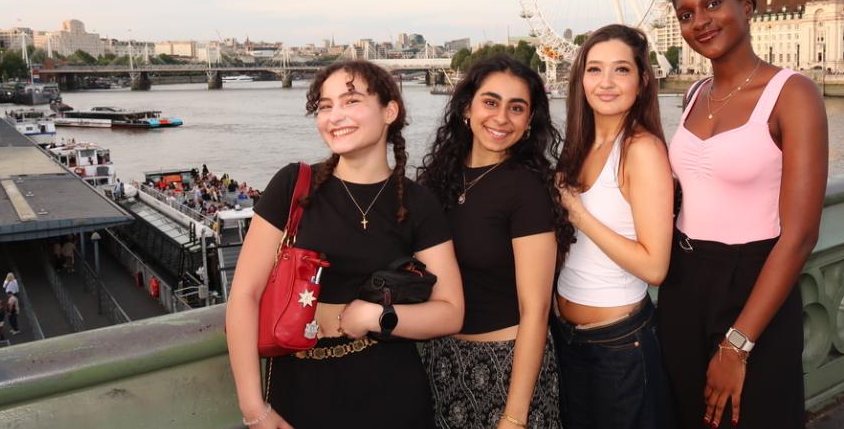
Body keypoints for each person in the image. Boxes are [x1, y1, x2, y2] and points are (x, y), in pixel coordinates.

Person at [226, 60, 464, 429]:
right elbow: (244, 295)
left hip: (391, 393)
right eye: (324, 106)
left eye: (351, 101)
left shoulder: (417, 203)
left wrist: (377, 317)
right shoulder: (293, 186)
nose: (334, 116)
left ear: (389, 111)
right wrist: (253, 409)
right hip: (299, 390)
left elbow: (451, 310)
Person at [659, 0, 827, 429]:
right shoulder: (696, 93)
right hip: (682, 281)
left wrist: (737, 345)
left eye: (714, 3)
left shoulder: (792, 94)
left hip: (753, 285)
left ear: (747, 7)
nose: (700, 21)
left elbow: (800, 235)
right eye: (687, 13)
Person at [419, 54, 572, 429]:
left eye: (516, 107)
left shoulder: (527, 189)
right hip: (439, 360)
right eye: (490, 102)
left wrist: (515, 416)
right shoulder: (440, 180)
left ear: (530, 119)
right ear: (467, 108)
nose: (501, 117)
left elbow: (535, 309)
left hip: (506, 366)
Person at [552, 24, 675, 429]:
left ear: (642, 81)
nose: (605, 82)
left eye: (621, 70)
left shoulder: (641, 150)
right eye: (594, 69)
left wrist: (580, 216)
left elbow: (655, 266)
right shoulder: (580, 145)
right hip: (568, 337)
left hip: (619, 344)